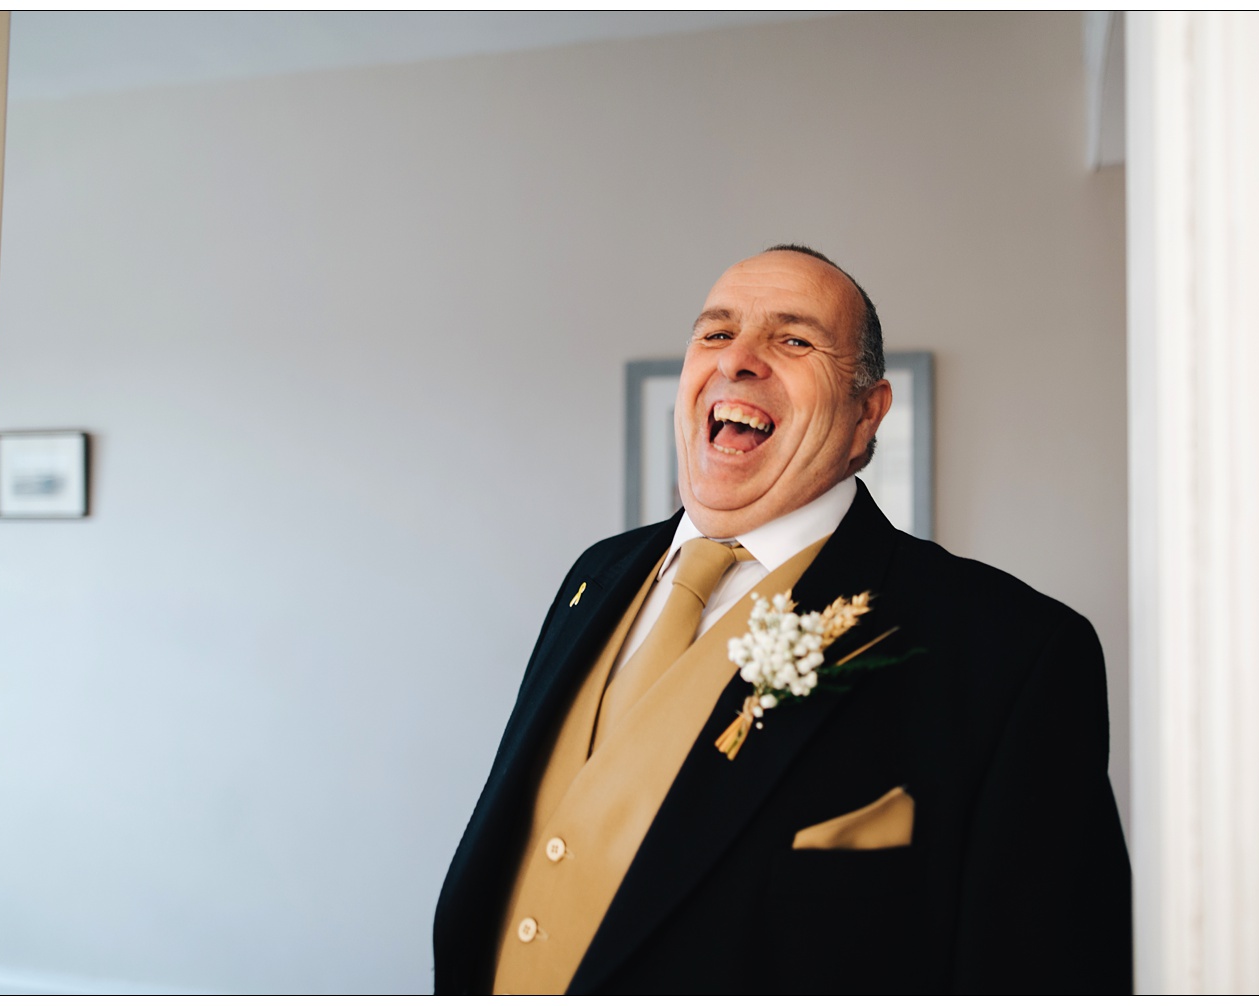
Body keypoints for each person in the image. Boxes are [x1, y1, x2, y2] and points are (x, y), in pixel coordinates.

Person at [433, 245, 1132, 993]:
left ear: (869, 413)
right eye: (715, 333)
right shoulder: (592, 576)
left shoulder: (1013, 653)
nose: (738, 361)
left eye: (793, 339)